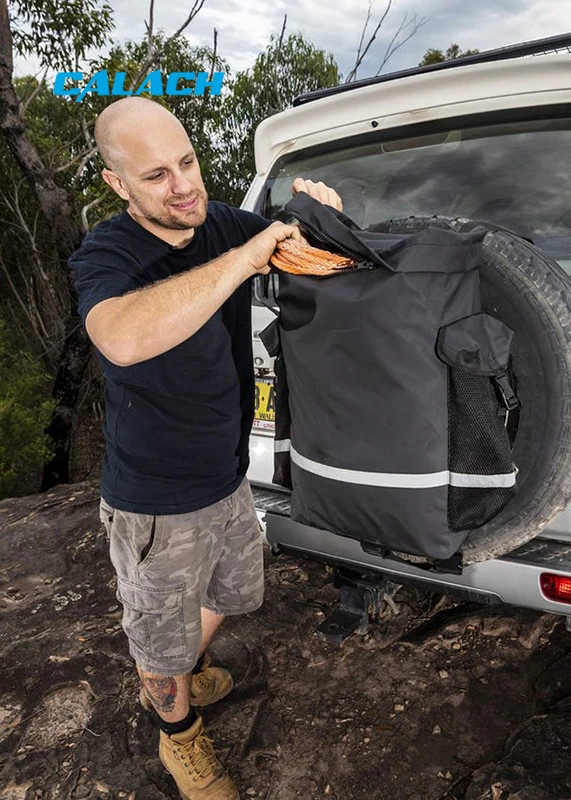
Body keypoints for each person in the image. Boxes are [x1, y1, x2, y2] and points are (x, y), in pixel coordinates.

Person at [69, 96, 341, 799]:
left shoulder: (219, 223)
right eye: (156, 175)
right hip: (156, 500)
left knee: (233, 594)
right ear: (118, 184)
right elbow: (120, 337)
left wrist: (321, 213)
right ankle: (177, 732)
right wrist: (244, 259)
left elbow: (300, 246)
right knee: (159, 640)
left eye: (186, 162)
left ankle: (176, 668)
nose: (184, 185)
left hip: (228, 474)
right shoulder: (107, 253)